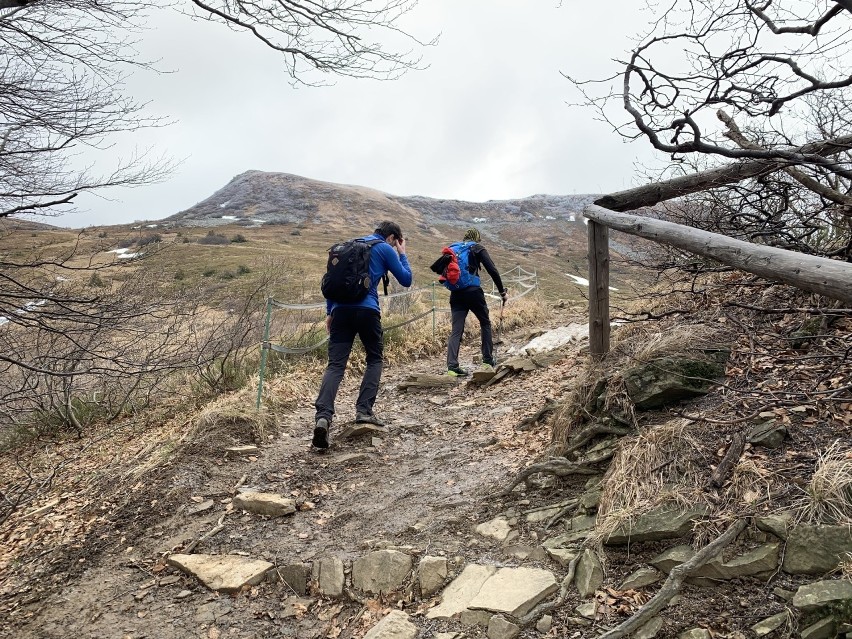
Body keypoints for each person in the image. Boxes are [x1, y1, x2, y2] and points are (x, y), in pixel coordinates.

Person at [312, 221, 412, 450]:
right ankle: (364, 411)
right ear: (392, 237)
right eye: (397, 241)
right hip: (367, 310)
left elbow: (333, 281)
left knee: (335, 365)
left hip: (340, 312)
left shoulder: (350, 245)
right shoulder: (385, 248)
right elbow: (406, 279)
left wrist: (330, 312)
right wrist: (402, 253)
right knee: (374, 359)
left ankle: (323, 417)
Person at [445, 227, 508, 377]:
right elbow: (492, 270)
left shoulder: (454, 249)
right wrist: (502, 292)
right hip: (473, 292)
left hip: (456, 294)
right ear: (477, 238)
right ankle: (487, 360)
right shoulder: (477, 247)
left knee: (456, 330)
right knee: (485, 322)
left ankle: (452, 367)